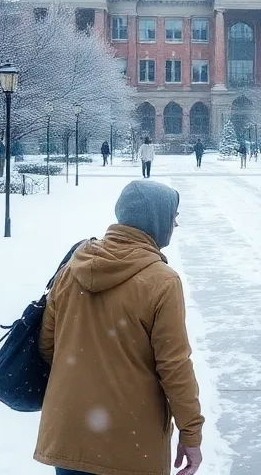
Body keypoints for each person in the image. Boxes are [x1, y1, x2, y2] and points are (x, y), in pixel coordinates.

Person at [35, 180, 205, 475]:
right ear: (155, 219)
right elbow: (174, 367)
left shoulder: (72, 268)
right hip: (131, 440)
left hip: (69, 433)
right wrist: (191, 434)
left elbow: (47, 344)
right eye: (172, 215)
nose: (176, 223)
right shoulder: (161, 281)